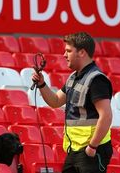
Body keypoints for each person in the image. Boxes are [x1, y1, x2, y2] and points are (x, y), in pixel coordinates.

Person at [31, 32, 113, 173]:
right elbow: (55, 101)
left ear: (81, 53)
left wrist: (92, 147)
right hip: (75, 150)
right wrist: (42, 84)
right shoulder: (73, 77)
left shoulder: (96, 79)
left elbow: (106, 116)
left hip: (92, 150)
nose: (64, 55)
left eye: (68, 51)